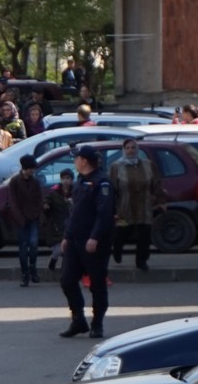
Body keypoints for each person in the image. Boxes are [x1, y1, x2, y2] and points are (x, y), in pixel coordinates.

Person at [60, 147, 115, 339]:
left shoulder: (102, 182)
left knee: (97, 284)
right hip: (75, 240)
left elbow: (105, 214)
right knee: (67, 280)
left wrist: (95, 237)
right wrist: (67, 236)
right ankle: (78, 320)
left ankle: (97, 323)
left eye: (77, 159)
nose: (74, 162)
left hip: (93, 242)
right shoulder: (80, 181)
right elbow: (74, 213)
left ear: (84, 161)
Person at [109, 138, 161, 272]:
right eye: (128, 148)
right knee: (123, 232)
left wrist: (157, 199)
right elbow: (111, 189)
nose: (131, 151)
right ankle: (117, 250)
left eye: (133, 148)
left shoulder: (148, 164)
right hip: (125, 207)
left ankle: (142, 261)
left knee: (144, 235)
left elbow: (156, 183)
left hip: (144, 206)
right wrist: (112, 209)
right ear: (123, 150)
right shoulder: (116, 166)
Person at [2, 154, 46, 287]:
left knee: (33, 243)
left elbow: (40, 199)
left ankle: (33, 267)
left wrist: (40, 215)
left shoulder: (35, 181)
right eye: (30, 169)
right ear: (24, 168)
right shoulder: (15, 181)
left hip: (33, 217)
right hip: (20, 219)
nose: (32, 171)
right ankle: (25, 273)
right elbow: (13, 201)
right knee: (22, 247)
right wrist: (19, 218)